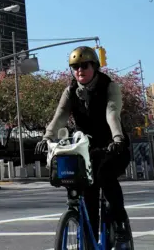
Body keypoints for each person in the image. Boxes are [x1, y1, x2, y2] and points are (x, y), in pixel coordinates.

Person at [34, 46, 131, 247]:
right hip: (85, 146)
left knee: (106, 178)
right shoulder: (70, 91)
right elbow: (60, 116)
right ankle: (90, 239)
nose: (80, 70)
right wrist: (47, 138)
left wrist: (118, 139)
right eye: (75, 66)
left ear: (94, 66)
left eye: (84, 65)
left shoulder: (109, 86)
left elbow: (111, 113)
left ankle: (120, 224)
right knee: (86, 189)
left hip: (112, 144)